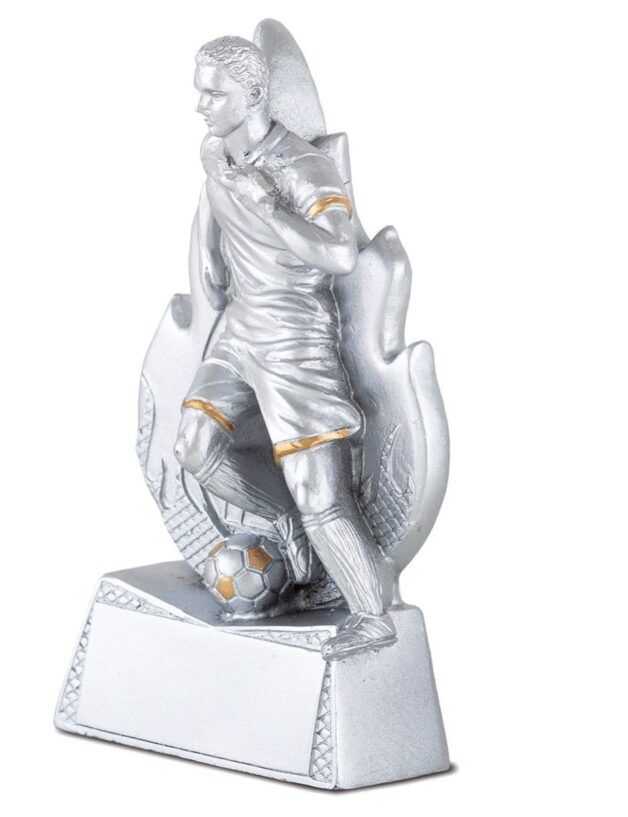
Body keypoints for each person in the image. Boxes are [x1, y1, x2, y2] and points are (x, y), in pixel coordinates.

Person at [174, 35, 397, 660]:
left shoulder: (302, 167)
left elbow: (340, 253)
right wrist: (207, 268)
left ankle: (373, 617)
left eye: (214, 93)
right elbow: (210, 217)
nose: (200, 105)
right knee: (194, 447)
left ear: (253, 94)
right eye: (200, 90)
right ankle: (288, 521)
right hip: (240, 327)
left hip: (294, 338)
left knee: (322, 495)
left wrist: (270, 209)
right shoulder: (216, 152)